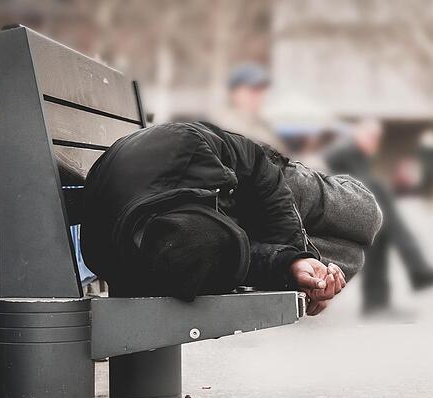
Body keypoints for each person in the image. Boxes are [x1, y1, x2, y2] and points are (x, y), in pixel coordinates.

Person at [81, 121, 348, 315]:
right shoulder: (111, 256)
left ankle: (309, 266)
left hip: (233, 175)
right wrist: (291, 267)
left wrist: (295, 256)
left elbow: (257, 163)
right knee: (351, 248)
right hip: (153, 202)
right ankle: (311, 269)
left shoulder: (192, 150)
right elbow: (234, 262)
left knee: (360, 219)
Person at [217, 62, 383, 282]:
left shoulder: (260, 123)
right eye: (252, 89)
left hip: (272, 203)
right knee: (364, 216)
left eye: (261, 90)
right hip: (263, 199)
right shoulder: (227, 123)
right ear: (235, 92)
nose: (259, 95)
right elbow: (265, 168)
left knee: (352, 252)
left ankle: (307, 277)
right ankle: (306, 275)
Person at [326, 119, 433, 315]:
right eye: (371, 137)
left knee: (382, 228)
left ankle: (379, 301)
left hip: (349, 209)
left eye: (377, 139)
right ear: (358, 135)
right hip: (335, 211)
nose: (374, 143)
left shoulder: (355, 155)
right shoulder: (345, 153)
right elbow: (351, 187)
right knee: (381, 210)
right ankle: (415, 271)